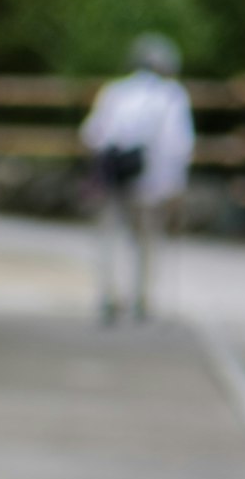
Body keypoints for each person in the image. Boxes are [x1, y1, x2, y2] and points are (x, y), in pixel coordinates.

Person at [80, 36, 193, 324]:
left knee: (110, 236)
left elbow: (92, 134)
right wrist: (174, 187)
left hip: (113, 176)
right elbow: (178, 144)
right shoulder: (172, 95)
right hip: (151, 181)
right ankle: (141, 299)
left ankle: (108, 294)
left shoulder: (115, 91)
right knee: (145, 239)